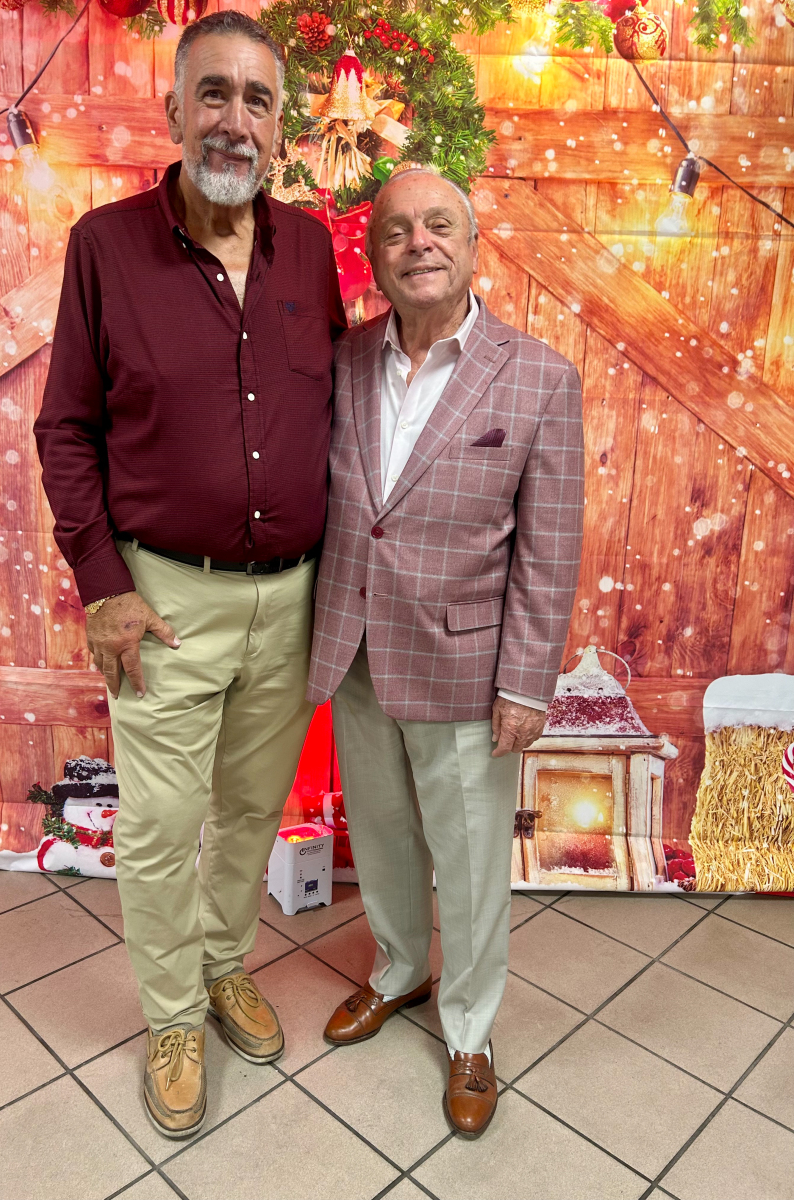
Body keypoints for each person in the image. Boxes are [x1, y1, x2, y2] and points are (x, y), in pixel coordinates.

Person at [35, 11, 346, 1140]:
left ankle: (223, 965)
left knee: (254, 808)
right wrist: (103, 584)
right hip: (163, 601)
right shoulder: (105, 247)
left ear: (280, 127)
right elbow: (66, 428)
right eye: (213, 92)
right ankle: (171, 1015)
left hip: (292, 598)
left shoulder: (309, 251)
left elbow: (333, 409)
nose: (234, 119)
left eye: (257, 99)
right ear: (173, 110)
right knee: (165, 824)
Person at [307, 166, 584, 1138]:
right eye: (396, 231)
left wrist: (527, 684)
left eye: (438, 226)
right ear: (374, 255)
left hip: (469, 668)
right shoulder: (341, 361)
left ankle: (469, 1028)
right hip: (356, 650)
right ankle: (398, 971)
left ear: (472, 246)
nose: (417, 243)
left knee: (468, 864)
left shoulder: (540, 377)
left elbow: (550, 546)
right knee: (382, 836)